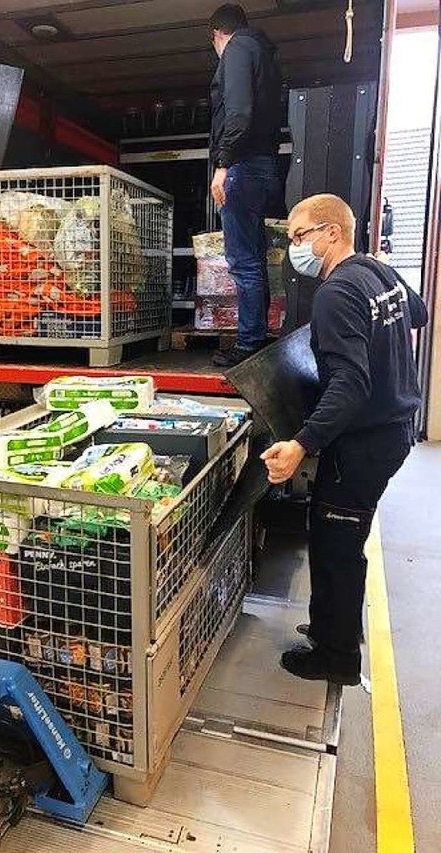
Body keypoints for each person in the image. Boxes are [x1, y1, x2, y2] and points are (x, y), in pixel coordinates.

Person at [260, 194, 428, 685]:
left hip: (364, 443)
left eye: (300, 235)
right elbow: (414, 314)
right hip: (395, 430)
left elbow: (349, 384)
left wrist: (302, 444)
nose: (295, 248)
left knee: (336, 543)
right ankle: (335, 626)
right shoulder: (377, 272)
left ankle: (334, 657)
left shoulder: (336, 293)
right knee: (339, 536)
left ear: (332, 231)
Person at [208, 3, 284, 368]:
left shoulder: (237, 49)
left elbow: (238, 112)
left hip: (242, 166)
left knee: (242, 261)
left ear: (218, 35)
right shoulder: (265, 56)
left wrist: (223, 165)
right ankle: (258, 337)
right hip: (264, 165)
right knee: (253, 258)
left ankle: (248, 343)